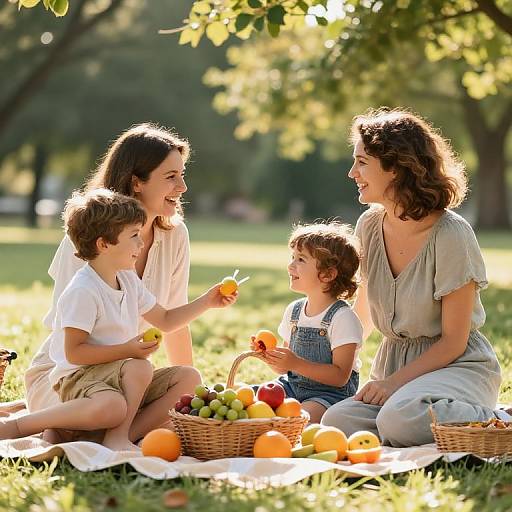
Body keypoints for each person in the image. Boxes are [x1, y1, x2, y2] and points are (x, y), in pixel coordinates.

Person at [0, 189, 236, 450]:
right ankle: (20, 427)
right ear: (104, 244)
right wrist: (129, 350)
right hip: (80, 378)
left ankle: (117, 436)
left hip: (117, 376)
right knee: (130, 380)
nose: (142, 243)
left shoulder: (128, 279)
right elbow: (74, 353)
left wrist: (207, 301)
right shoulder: (83, 290)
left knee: (189, 378)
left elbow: (166, 320)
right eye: (134, 236)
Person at [321, 108, 502, 446]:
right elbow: (362, 313)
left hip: (457, 367)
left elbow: (453, 341)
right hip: (396, 365)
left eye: (361, 162)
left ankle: (496, 420)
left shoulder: (451, 235)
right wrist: (323, 354)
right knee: (338, 420)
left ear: (395, 166)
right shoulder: (369, 227)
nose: (351, 173)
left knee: (398, 420)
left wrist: (392, 385)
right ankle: (414, 414)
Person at [0, 123, 195, 421]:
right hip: (69, 377)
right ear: (136, 183)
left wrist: (189, 402)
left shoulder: (175, 235)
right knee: (117, 406)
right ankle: (50, 420)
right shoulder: (87, 239)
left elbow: (175, 322)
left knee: (184, 387)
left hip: (126, 375)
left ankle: (124, 434)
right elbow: (70, 343)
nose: (182, 187)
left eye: (182, 175)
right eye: (171, 177)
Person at [254, 222, 363, 423]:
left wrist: (295, 363)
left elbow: (340, 376)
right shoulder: (294, 311)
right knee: (251, 400)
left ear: (328, 274)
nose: (290, 265)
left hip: (328, 396)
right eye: (292, 257)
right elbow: (284, 369)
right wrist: (270, 357)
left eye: (301, 259)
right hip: (291, 387)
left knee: (298, 418)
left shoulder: (342, 318)